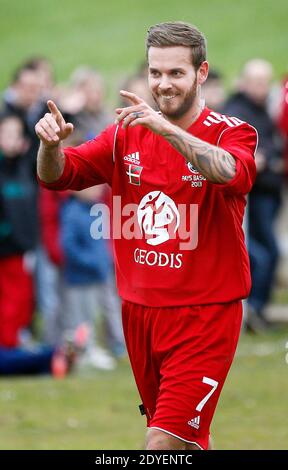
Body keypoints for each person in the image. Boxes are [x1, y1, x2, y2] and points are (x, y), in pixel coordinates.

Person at [35, 21, 257, 450]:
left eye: (176, 73)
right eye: (156, 73)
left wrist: (167, 130)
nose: (163, 84)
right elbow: (59, 176)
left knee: (162, 444)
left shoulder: (233, 131)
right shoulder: (125, 133)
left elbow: (233, 172)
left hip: (204, 316)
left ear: (202, 73)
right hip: (140, 313)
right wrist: (49, 147)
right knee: (187, 443)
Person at [224, 59, 283, 331]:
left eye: (265, 82)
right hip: (253, 196)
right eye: (257, 82)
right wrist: (270, 162)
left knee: (266, 252)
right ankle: (253, 309)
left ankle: (256, 310)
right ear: (244, 81)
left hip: (267, 194)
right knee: (262, 253)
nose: (262, 88)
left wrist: (271, 160)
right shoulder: (238, 111)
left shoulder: (261, 110)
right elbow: (254, 157)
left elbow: (270, 149)